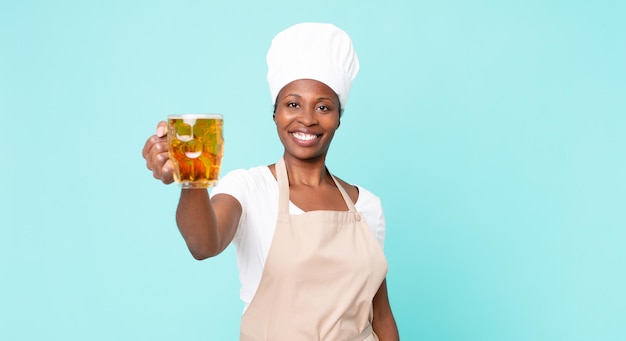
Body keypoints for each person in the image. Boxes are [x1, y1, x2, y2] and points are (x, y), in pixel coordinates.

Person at [142, 22, 399, 341]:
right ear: (275, 113)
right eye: (293, 104)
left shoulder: (368, 207)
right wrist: (191, 176)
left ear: (338, 118)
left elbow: (382, 316)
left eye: (323, 106)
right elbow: (203, 244)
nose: (307, 118)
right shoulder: (249, 189)